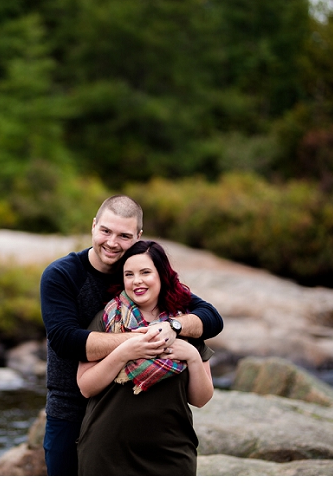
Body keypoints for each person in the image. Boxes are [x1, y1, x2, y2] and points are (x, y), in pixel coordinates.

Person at [40, 195, 223, 475]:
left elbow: (210, 317)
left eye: (123, 235)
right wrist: (142, 341)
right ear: (93, 226)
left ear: (138, 236)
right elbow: (65, 340)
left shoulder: (138, 274)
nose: (112, 243)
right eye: (105, 231)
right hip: (70, 410)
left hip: (153, 430)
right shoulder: (63, 275)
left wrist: (173, 328)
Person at [76, 239, 215, 475]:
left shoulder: (185, 323)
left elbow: (201, 399)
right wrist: (125, 352)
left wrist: (192, 356)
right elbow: (86, 387)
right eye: (129, 274)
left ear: (162, 275)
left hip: (171, 454)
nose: (137, 280)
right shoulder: (106, 319)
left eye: (145, 272)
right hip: (107, 453)